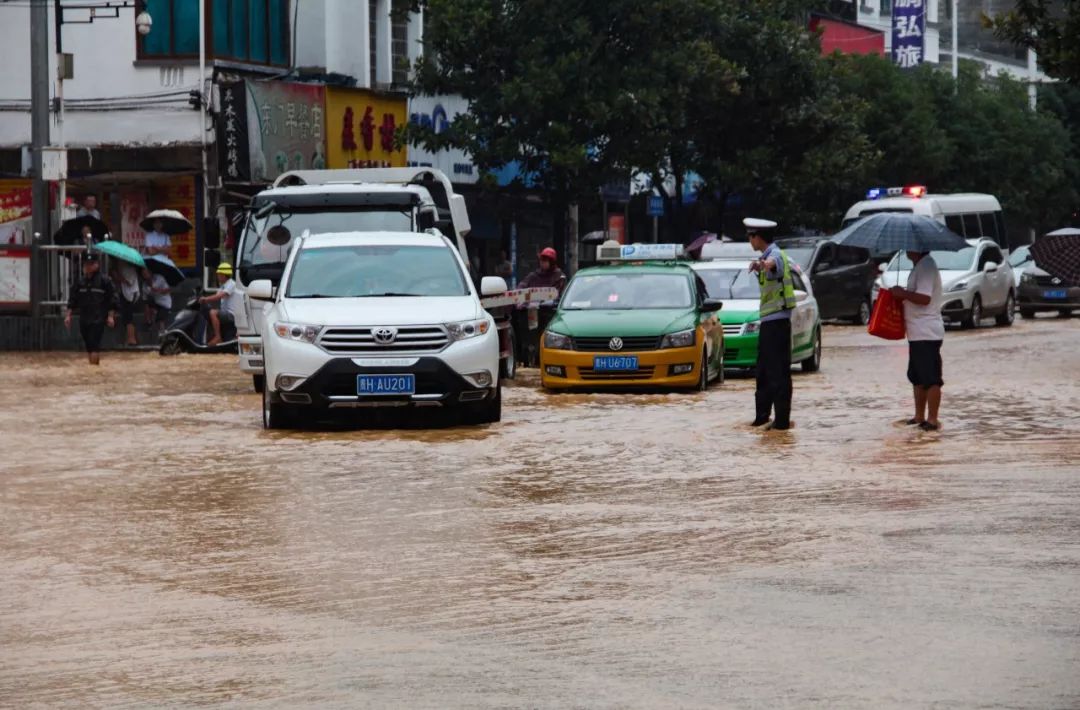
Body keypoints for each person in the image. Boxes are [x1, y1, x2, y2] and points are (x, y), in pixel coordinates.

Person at [747, 217, 797, 430]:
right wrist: (760, 266)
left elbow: (773, 265)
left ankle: (782, 423)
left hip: (777, 324)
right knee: (764, 371)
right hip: (770, 323)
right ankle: (762, 418)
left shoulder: (775, 255)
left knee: (777, 372)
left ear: (757, 237)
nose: (750, 241)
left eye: (750, 236)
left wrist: (763, 265)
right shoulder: (767, 256)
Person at [889, 250, 945, 431]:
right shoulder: (919, 267)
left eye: (909, 246)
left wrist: (903, 293)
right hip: (916, 332)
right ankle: (919, 416)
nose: (906, 249)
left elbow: (924, 298)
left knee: (931, 378)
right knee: (917, 376)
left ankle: (932, 420)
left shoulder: (927, 266)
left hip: (926, 332)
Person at [65, 253, 116, 365]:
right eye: (86, 264)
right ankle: (93, 367)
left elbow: (112, 300)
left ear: (97, 265)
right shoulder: (80, 282)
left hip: (98, 318)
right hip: (84, 318)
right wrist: (68, 316)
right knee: (88, 345)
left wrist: (110, 316)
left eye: (91, 264)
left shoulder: (105, 281)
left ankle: (94, 370)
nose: (88, 267)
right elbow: (72, 300)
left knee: (94, 345)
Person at [198, 262, 241, 346]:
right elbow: (216, 297)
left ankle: (218, 337)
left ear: (224, 275)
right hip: (226, 313)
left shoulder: (231, 284)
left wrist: (206, 299)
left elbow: (220, 296)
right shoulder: (223, 286)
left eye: (219, 274)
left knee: (213, 313)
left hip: (232, 314)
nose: (218, 276)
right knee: (209, 313)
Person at [114, 261, 142, 346]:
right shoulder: (122, 269)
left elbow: (129, 282)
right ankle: (130, 338)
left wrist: (119, 277)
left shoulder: (130, 269)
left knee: (128, 317)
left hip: (130, 295)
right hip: (124, 294)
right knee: (125, 318)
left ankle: (131, 339)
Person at [142, 267, 172, 337]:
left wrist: (157, 290)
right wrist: (147, 315)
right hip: (156, 302)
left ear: (150, 273)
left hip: (165, 302)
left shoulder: (159, 278)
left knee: (160, 318)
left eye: (146, 273)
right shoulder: (144, 285)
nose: (145, 275)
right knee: (148, 304)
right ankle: (150, 323)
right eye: (143, 274)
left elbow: (168, 290)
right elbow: (145, 300)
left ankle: (162, 332)